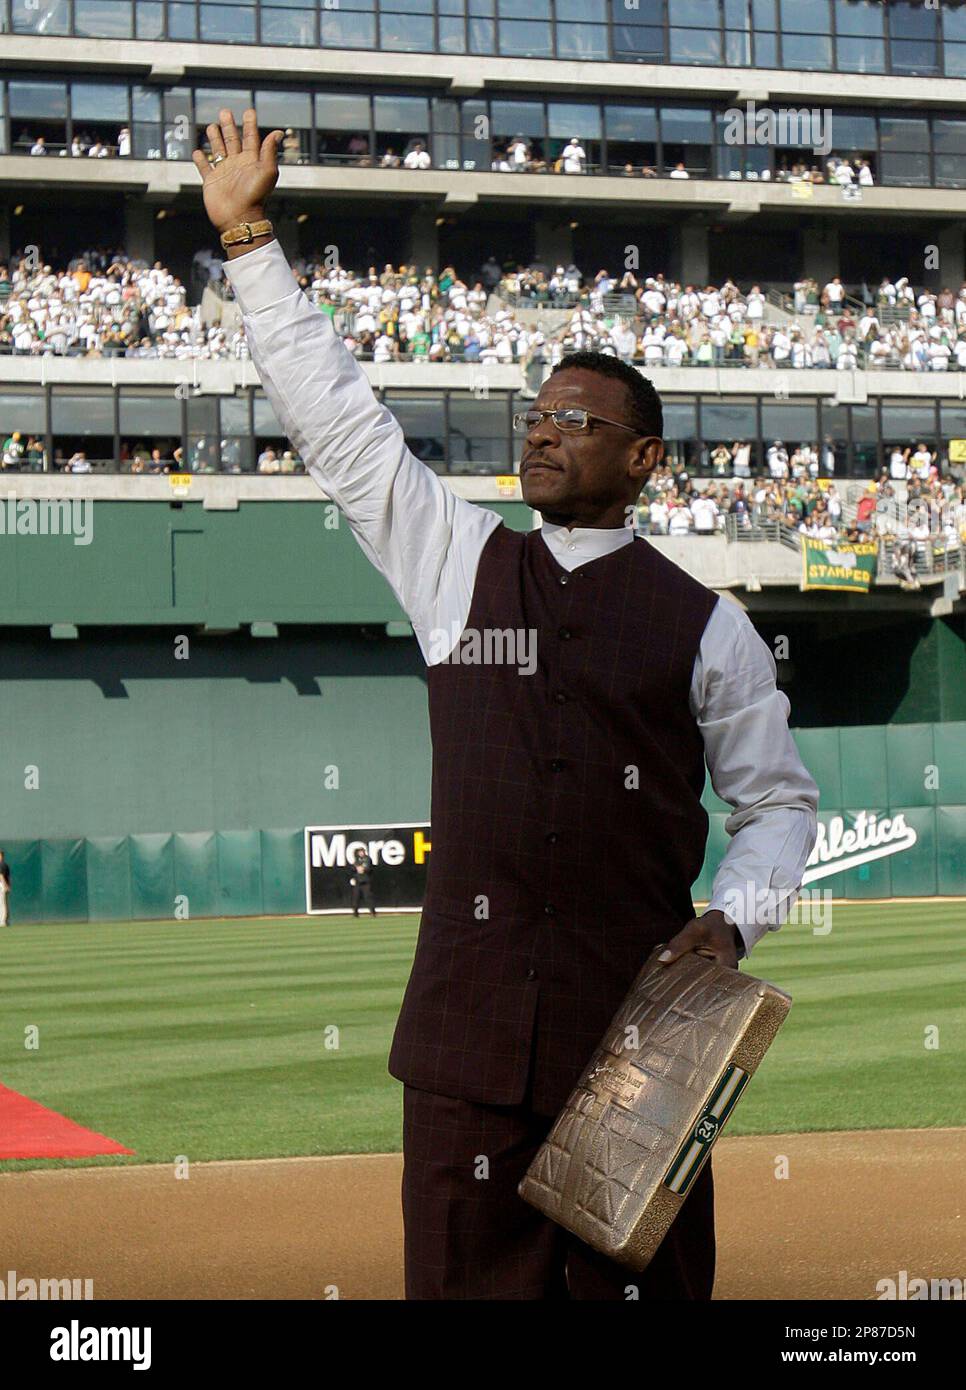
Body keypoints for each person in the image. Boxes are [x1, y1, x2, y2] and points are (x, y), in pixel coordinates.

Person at [194, 107, 819, 1303]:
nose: (543, 431)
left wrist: (733, 922)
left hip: (639, 1059)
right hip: (465, 1057)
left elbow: (779, 805)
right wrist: (250, 238)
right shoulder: (451, 558)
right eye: (536, 414)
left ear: (644, 459)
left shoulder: (712, 625)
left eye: (577, 420)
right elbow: (340, 425)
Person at [349, 847, 376, 917]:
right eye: (360, 852)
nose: (361, 853)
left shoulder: (367, 859)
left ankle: (372, 912)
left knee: (368, 897)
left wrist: (361, 868)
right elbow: (352, 868)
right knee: (356, 898)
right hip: (357, 882)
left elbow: (367, 868)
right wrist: (357, 868)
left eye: (362, 851)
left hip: (365, 882)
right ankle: (355, 913)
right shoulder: (357, 860)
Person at [0, 850, 9, 926]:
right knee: (2, 903)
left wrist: (5, 886)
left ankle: (3, 921)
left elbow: (2, 876)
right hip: (3, 885)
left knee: (2, 903)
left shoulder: (2, 865)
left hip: (1, 884)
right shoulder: (4, 865)